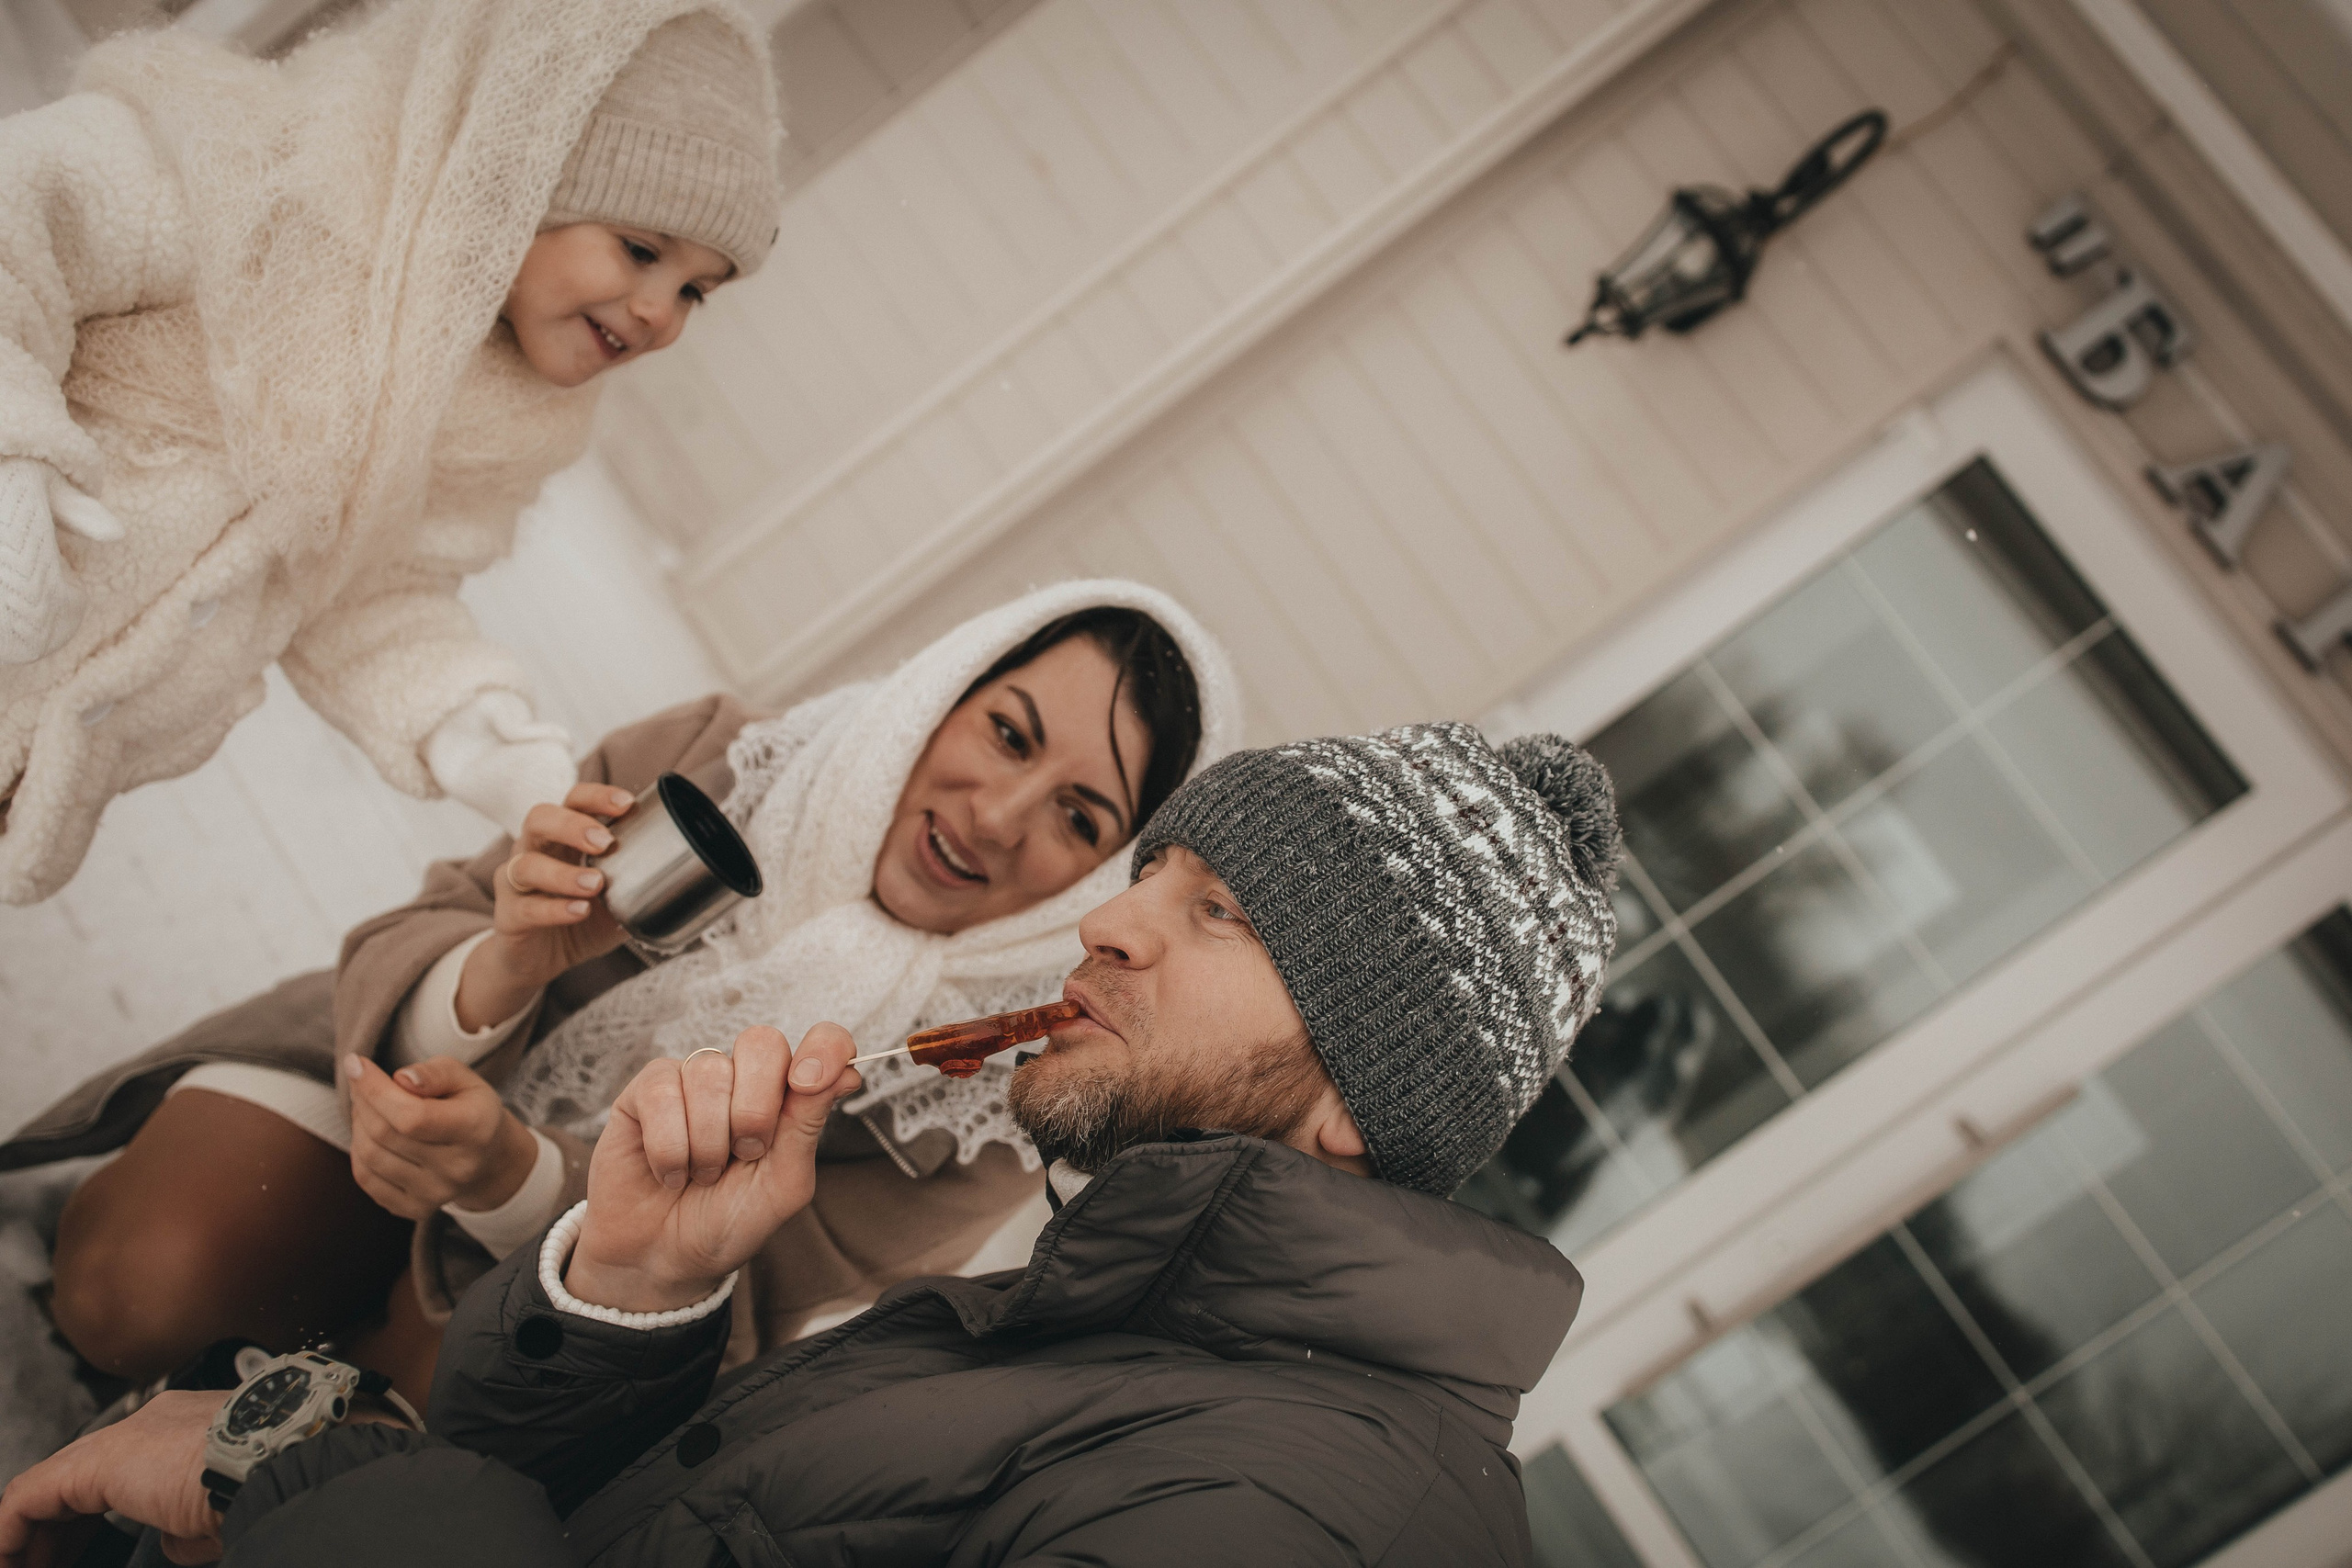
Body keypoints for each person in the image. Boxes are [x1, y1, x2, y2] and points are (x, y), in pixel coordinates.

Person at [0, 719, 1623, 1566]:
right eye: (1151, 869)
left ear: (1359, 1101)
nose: (1106, 920)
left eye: (1221, 913)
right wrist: (634, 1295)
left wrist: (293, 1457)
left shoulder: (1302, 1517)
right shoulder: (1075, 1314)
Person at [4, 581, 1238, 1404]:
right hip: (383, 1101)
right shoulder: (728, 761)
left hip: (562, 1289)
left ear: (1112, 871)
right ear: (941, 692)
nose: (1001, 816)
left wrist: (510, 1177)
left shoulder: (1000, 1077)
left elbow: (743, 1309)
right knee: (136, 1281)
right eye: (1009, 733)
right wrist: (510, 956)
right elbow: (412, 940)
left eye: (1082, 814)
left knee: (394, 1408)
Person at [0, 0, 784, 905]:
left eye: (696, 290)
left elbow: (373, 584)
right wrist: (14, 452)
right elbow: (21, 224)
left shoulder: (503, 411)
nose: (659, 311)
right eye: (640, 249)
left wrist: (472, 730)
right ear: (518, 168)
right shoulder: (260, 179)